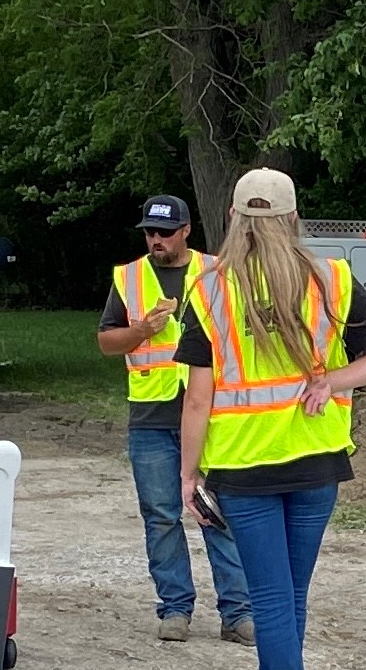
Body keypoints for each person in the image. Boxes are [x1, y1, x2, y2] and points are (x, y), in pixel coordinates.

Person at [175, 169, 366, 670]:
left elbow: (197, 400)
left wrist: (186, 475)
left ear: (233, 218)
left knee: (275, 605)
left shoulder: (209, 289)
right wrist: (331, 381)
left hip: (244, 467)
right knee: (290, 604)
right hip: (316, 461)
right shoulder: (331, 280)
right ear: (294, 219)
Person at [97, 194, 253, 645]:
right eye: (149, 232)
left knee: (219, 513)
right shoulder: (129, 278)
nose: (156, 240)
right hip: (151, 416)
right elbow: (107, 342)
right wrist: (142, 330)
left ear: (186, 230)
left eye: (165, 232)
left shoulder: (218, 271)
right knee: (161, 516)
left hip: (213, 412)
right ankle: (175, 608)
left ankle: (237, 613)